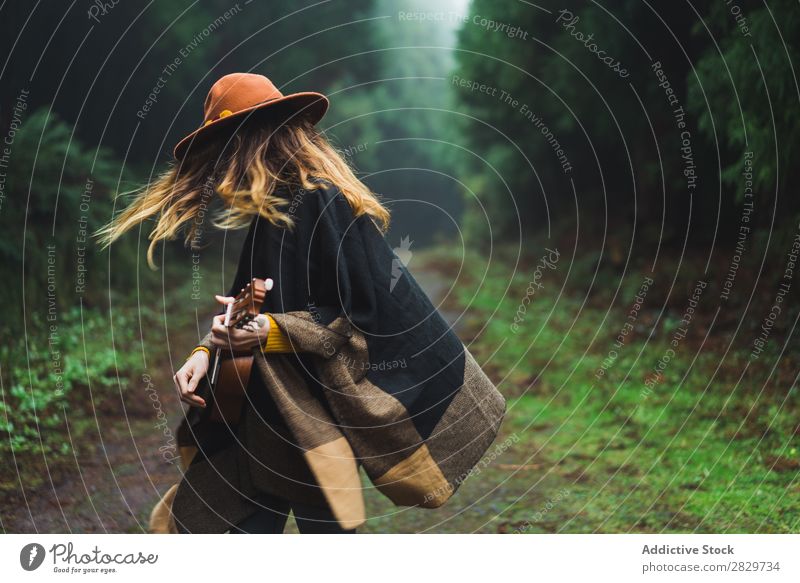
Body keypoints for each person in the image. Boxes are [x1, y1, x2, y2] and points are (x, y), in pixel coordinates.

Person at [98, 72, 506, 535]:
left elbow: (357, 318)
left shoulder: (321, 202)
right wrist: (203, 354)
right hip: (258, 417)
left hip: (313, 421)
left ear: (254, 137)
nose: (222, 159)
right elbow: (243, 305)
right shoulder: (273, 210)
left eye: (228, 142)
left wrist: (271, 332)